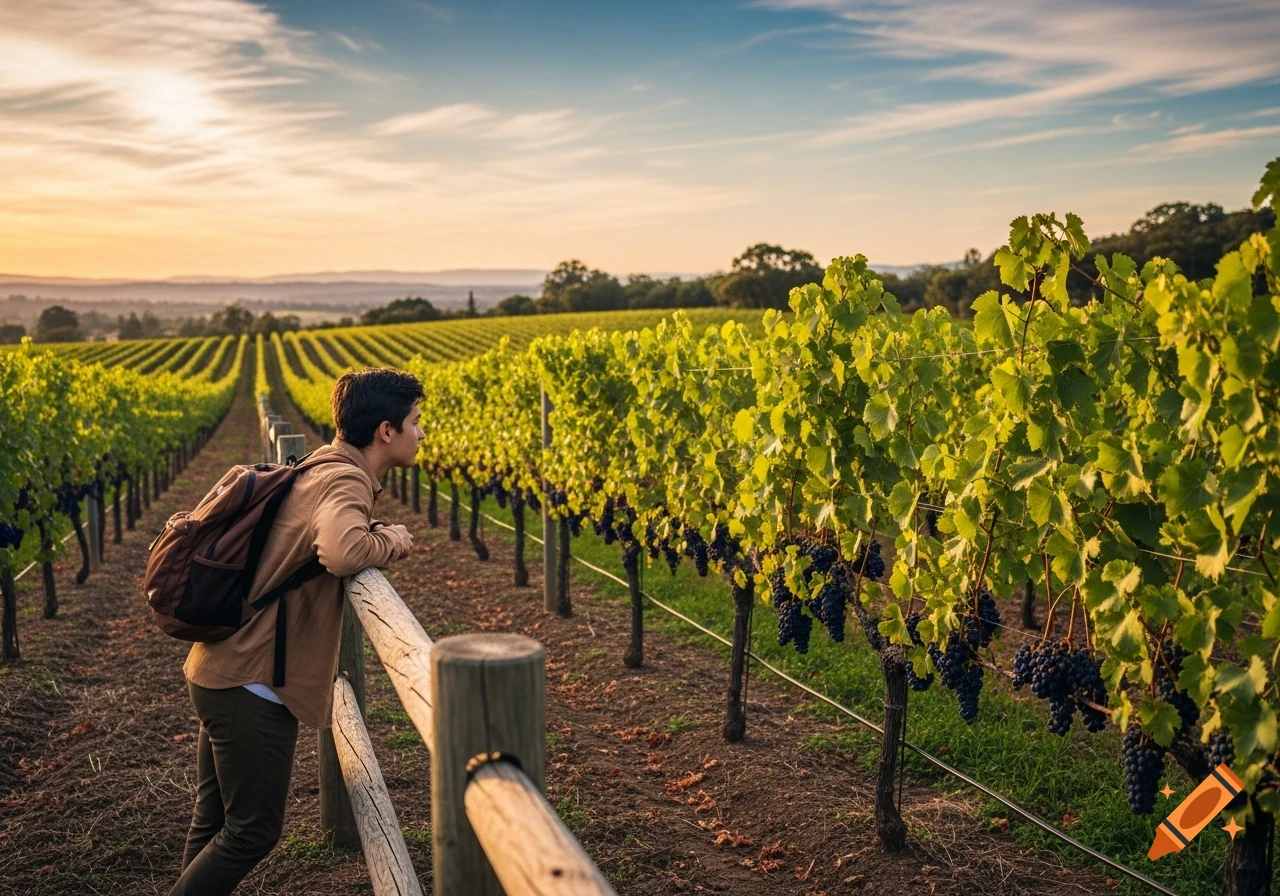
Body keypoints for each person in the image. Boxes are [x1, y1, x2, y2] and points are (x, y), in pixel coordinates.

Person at [171, 368, 423, 895]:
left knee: (215, 821)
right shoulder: (346, 478)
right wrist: (394, 539)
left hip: (221, 667)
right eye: (416, 422)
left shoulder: (321, 464)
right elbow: (341, 550)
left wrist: (371, 530)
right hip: (253, 681)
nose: (421, 433)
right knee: (252, 830)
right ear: (385, 431)